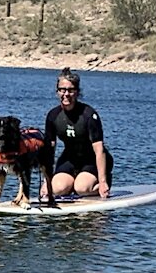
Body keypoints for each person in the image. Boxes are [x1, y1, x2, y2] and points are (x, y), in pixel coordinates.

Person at [41, 67, 113, 200]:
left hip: (91, 160)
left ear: (77, 92)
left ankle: (99, 183)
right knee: (57, 188)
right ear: (57, 92)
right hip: (69, 158)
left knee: (82, 188)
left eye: (70, 90)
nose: (66, 94)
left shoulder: (89, 115)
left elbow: (99, 150)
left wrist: (102, 182)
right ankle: (71, 185)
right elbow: (49, 151)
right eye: (62, 90)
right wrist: (46, 182)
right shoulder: (53, 115)